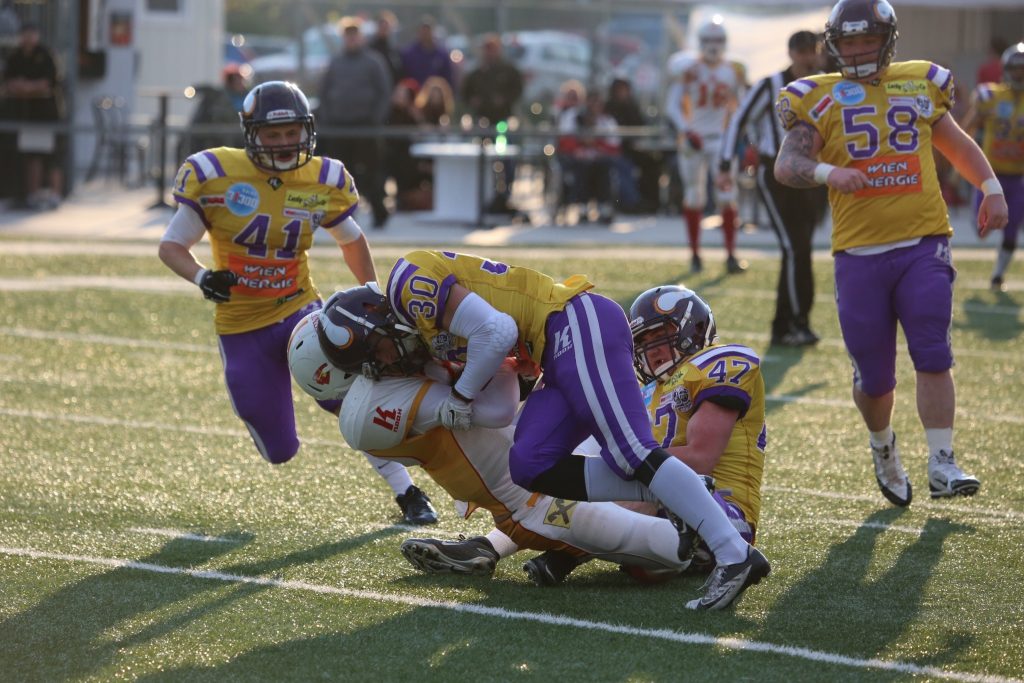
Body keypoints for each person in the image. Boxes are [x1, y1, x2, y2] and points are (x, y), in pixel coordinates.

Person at [319, 250, 770, 610]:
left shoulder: (406, 280)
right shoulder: (424, 331)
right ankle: (678, 493)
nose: (384, 362)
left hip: (574, 320)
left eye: (375, 352)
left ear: (372, 323)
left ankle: (733, 553)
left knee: (631, 449)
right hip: (553, 350)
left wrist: (457, 399)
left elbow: (495, 330)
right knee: (529, 464)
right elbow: (499, 404)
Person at [157, 80, 436, 526]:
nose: (286, 144)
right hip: (241, 324)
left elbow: (352, 240)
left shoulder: (322, 179)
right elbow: (171, 246)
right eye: (274, 135)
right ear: (252, 133)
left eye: (292, 134)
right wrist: (203, 276)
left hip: (299, 311)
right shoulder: (214, 174)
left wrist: (374, 294)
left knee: (350, 402)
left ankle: (408, 494)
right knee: (279, 450)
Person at [774, 0, 1008, 506]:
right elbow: (787, 162)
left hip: (924, 240)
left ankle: (942, 463)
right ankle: (883, 446)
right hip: (859, 255)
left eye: (867, 41)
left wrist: (990, 186)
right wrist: (828, 173)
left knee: (933, 351)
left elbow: (959, 145)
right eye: (850, 42)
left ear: (888, 40)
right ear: (834, 45)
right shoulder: (818, 97)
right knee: (876, 379)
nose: (859, 51)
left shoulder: (919, 82)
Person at [291, 295, 696, 583]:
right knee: (676, 552)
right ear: (352, 371)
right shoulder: (371, 411)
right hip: (532, 502)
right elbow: (495, 409)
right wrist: (500, 359)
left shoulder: (392, 371)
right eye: (375, 349)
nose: (391, 344)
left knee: (608, 423)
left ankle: (498, 547)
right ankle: (553, 549)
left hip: (539, 451)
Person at [528, 285, 766, 583]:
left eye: (658, 335)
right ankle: (495, 545)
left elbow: (699, 458)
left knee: (648, 476)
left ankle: (568, 548)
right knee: (587, 448)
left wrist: (623, 467)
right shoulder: (647, 392)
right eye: (643, 341)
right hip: (663, 514)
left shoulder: (718, 363)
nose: (651, 348)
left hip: (723, 515)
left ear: (694, 329)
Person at [718, 30, 825, 347]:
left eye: (812, 51)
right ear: (791, 52)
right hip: (776, 174)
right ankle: (797, 322)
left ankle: (784, 324)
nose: (807, 57)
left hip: (811, 176)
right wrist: (726, 165)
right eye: (802, 51)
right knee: (794, 248)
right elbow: (739, 120)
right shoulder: (771, 84)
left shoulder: (825, 83)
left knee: (799, 249)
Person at [665, 15, 747, 274]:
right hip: (693, 140)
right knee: (694, 195)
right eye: (708, 40)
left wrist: (737, 136)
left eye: (717, 40)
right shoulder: (689, 68)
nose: (713, 45)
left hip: (720, 141)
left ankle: (731, 254)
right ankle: (695, 255)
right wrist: (687, 130)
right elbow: (672, 105)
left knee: (726, 195)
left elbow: (741, 107)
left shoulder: (732, 70)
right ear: (700, 42)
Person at [318, 17, 392, 229]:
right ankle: (344, 216)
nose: (351, 39)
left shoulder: (373, 61)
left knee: (371, 171)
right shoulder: (335, 62)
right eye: (347, 35)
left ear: (360, 37)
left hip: (366, 127)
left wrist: (375, 119)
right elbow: (324, 92)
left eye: (354, 35)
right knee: (341, 175)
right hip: (339, 128)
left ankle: (379, 213)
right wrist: (328, 117)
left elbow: (384, 92)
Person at [962, 42, 1024, 291]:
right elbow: (967, 129)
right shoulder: (990, 96)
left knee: (1012, 228)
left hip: (1019, 176)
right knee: (981, 230)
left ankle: (998, 275)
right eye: (1016, 69)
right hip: (990, 173)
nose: (1019, 74)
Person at [460, 33, 524, 214]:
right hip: (482, 123)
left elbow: (517, 90)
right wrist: (473, 101)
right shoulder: (477, 72)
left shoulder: (508, 71)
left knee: (505, 158)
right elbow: (465, 93)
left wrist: (504, 100)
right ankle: (483, 196)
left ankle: (504, 195)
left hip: (502, 123)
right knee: (483, 160)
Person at [2, 22, 62, 210]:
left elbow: (46, 84)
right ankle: (32, 194)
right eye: (24, 34)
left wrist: (26, 87)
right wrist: (29, 88)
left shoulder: (45, 55)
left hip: (46, 114)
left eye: (31, 34)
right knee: (31, 155)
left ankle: (55, 194)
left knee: (51, 155)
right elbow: (9, 83)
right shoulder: (15, 56)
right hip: (24, 114)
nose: (27, 39)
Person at [556, 91, 622, 224]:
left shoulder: (607, 120)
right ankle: (582, 207)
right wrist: (579, 147)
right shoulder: (572, 117)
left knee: (603, 166)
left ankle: (604, 207)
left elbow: (615, 145)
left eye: (598, 103)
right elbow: (564, 140)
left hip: (600, 160)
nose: (594, 107)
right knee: (582, 167)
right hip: (577, 160)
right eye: (591, 102)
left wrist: (597, 145)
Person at [605, 78, 661, 214]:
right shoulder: (609, 107)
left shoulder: (632, 106)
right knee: (624, 167)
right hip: (617, 150)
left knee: (653, 164)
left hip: (634, 148)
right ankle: (630, 202)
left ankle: (651, 201)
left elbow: (640, 126)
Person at [181, 63, 250, 157]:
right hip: (221, 140)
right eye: (232, 78)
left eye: (238, 77)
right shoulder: (218, 96)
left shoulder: (250, 96)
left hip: (242, 138)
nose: (236, 81)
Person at [400, 16, 454, 91]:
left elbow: (447, 78)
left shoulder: (442, 54)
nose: (425, 33)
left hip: (435, 97)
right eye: (423, 30)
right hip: (414, 95)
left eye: (428, 30)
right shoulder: (409, 53)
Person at [368, 10, 403, 86]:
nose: (384, 29)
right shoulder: (369, 48)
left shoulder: (394, 49)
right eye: (381, 26)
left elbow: (398, 70)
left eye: (386, 26)